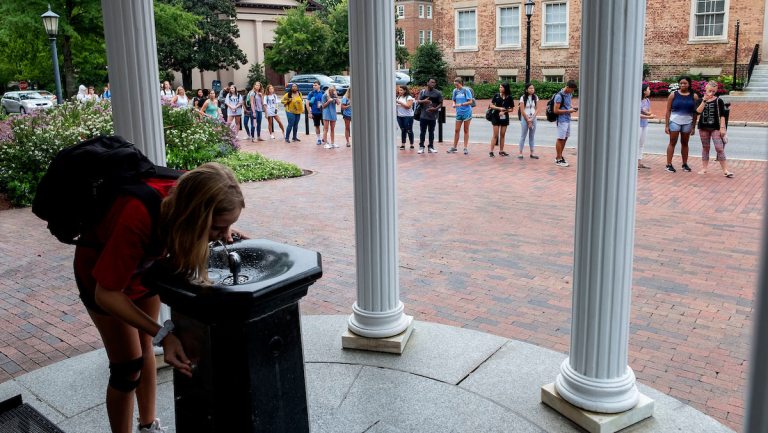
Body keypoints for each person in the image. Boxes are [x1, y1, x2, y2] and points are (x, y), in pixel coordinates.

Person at [73, 162, 247, 433]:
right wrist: (165, 335)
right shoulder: (137, 216)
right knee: (128, 367)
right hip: (102, 277)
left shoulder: (184, 201)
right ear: (195, 218)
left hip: (142, 268)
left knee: (145, 346)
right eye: (217, 228)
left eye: (229, 227)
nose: (224, 235)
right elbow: (107, 293)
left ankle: (148, 425)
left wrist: (227, 234)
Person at [695, 80, 733, 178]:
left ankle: (725, 170)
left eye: (714, 91)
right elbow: (698, 112)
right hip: (703, 127)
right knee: (705, 147)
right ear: (706, 89)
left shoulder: (718, 100)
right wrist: (704, 100)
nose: (711, 93)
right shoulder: (700, 100)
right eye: (710, 91)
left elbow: (723, 115)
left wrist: (722, 128)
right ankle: (704, 168)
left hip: (716, 127)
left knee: (719, 148)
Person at [664, 76, 698, 173]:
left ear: (689, 84)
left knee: (685, 143)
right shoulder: (673, 95)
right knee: (672, 142)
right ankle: (668, 164)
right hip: (674, 122)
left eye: (685, 83)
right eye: (681, 83)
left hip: (687, 122)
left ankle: (685, 164)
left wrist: (693, 126)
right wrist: (666, 125)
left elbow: (695, 113)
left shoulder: (694, 96)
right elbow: (668, 110)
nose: (683, 85)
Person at [552, 80, 578, 167]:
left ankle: (559, 156)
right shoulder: (559, 96)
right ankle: (558, 159)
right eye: (572, 89)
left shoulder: (569, 94)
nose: (572, 92)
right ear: (567, 87)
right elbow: (555, 110)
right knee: (560, 139)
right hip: (561, 119)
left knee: (565, 138)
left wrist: (572, 107)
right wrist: (568, 111)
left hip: (567, 119)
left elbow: (567, 104)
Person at [447, 77, 474, 155]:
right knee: (456, 130)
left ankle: (465, 147)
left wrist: (461, 104)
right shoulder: (455, 91)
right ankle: (454, 147)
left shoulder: (466, 90)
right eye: (455, 85)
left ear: (461, 83)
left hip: (467, 112)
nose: (456, 86)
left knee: (466, 130)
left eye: (457, 85)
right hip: (459, 112)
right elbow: (454, 100)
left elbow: (470, 101)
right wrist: (453, 104)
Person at [416, 78, 443, 154]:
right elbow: (418, 101)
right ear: (427, 83)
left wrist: (435, 109)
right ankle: (421, 147)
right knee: (422, 132)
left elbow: (441, 104)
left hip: (432, 116)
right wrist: (424, 101)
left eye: (434, 82)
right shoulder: (423, 92)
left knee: (431, 132)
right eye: (431, 82)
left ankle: (431, 147)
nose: (433, 84)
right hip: (423, 116)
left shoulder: (438, 93)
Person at [488, 83, 514, 158]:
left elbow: (512, 109)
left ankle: (501, 151)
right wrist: (499, 108)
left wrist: (504, 111)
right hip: (495, 116)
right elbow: (491, 105)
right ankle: (491, 151)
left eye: (501, 87)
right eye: (499, 87)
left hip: (504, 117)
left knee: (502, 134)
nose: (500, 88)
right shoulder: (496, 95)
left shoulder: (509, 97)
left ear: (505, 88)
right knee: (495, 135)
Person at [518, 83, 539, 159]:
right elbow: (522, 110)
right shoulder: (522, 98)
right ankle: (520, 153)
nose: (532, 89)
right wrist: (528, 120)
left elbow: (537, 109)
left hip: (533, 118)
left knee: (532, 136)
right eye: (530, 88)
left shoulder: (535, 97)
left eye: (533, 88)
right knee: (523, 136)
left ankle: (532, 153)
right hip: (525, 118)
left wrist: (532, 118)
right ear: (526, 90)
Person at [638, 83, 655, 169]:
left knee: (641, 144)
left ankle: (639, 162)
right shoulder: (637, 100)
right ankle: (633, 162)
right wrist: (649, 116)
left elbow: (648, 111)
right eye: (648, 89)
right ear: (644, 91)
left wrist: (648, 113)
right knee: (635, 143)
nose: (649, 91)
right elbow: (637, 114)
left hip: (645, 124)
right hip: (638, 125)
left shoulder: (647, 100)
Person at [306, 81, 326, 145]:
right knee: (317, 126)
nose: (314, 86)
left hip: (323, 112)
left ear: (319, 86)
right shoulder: (311, 93)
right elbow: (307, 103)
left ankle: (324, 138)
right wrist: (309, 113)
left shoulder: (323, 92)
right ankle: (318, 139)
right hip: (315, 112)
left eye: (315, 85)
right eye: (313, 85)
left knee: (325, 126)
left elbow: (327, 100)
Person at [396, 85, 415, 150]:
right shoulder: (398, 97)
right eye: (399, 90)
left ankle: (411, 144)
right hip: (400, 116)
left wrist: (400, 102)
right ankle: (403, 144)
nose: (399, 91)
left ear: (405, 90)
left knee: (409, 130)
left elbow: (408, 106)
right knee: (403, 130)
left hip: (408, 116)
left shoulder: (409, 97)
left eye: (401, 90)